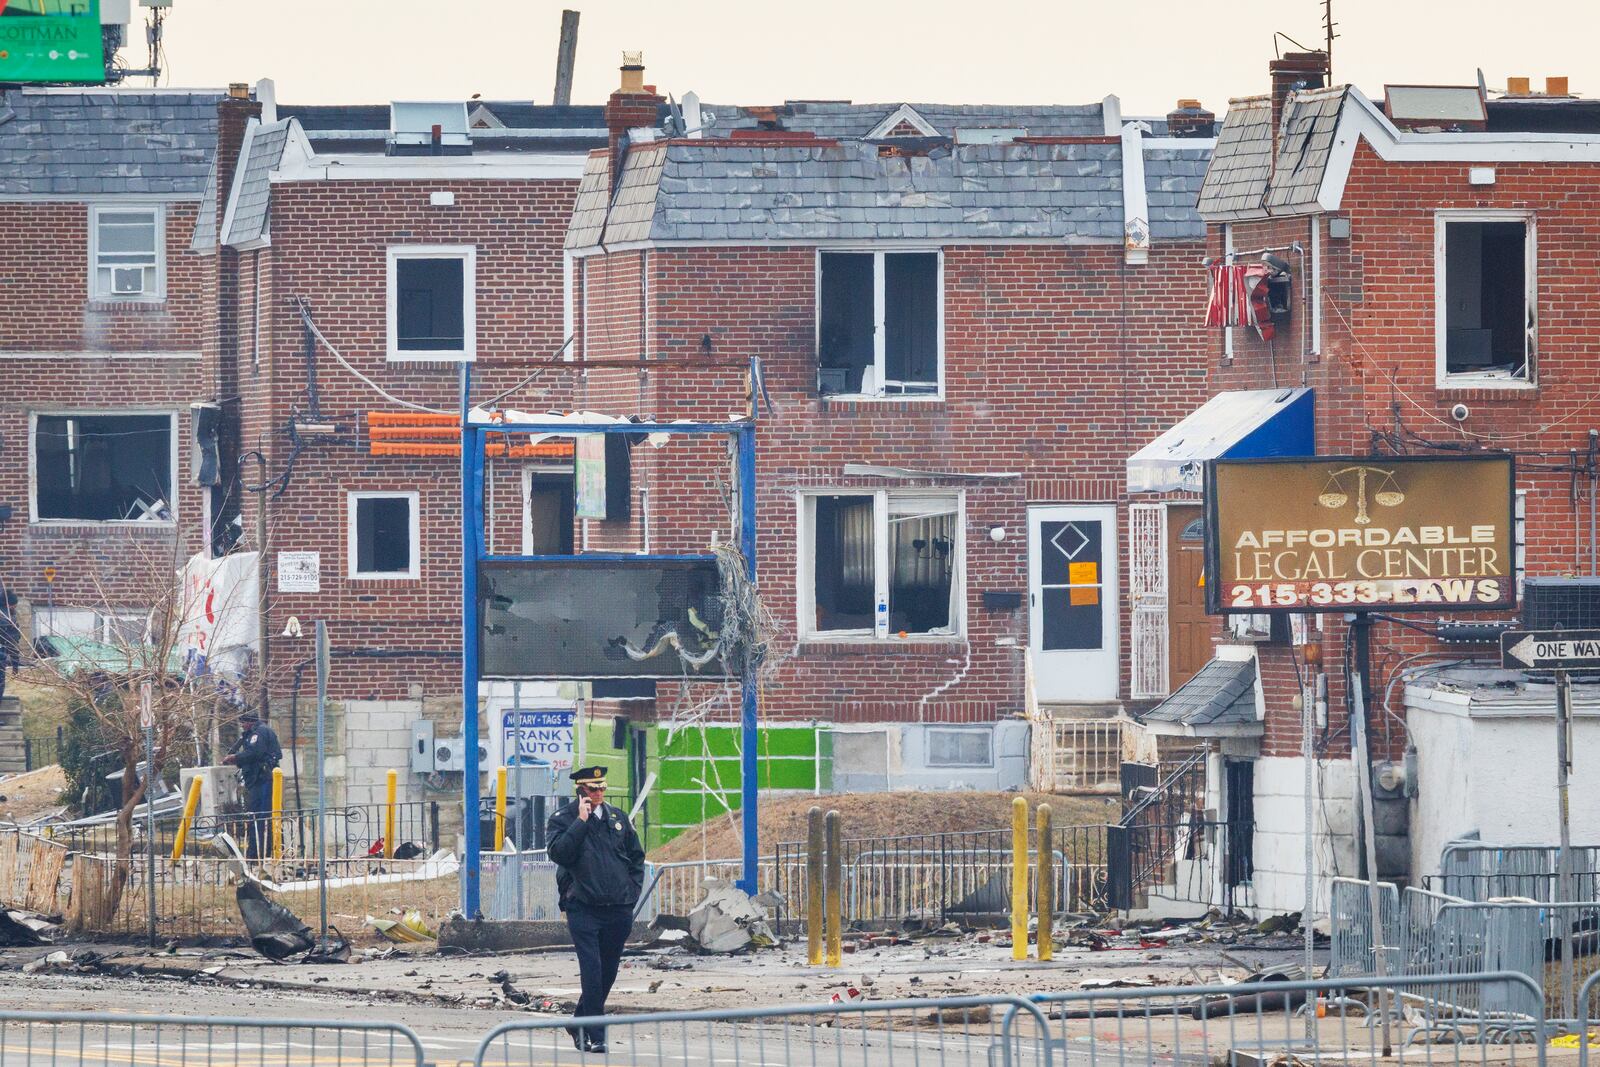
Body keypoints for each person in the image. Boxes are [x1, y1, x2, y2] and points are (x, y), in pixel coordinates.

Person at [546, 765, 645, 1054]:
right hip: (583, 907)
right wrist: (580, 821)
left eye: (602, 787)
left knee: (608, 972)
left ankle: (578, 1022)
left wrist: (632, 892)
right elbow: (560, 854)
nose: (599, 793)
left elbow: (636, 857)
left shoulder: (617, 818)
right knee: (592, 971)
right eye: (593, 788)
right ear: (580, 790)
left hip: (617, 906)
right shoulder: (562, 819)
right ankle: (597, 1034)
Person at [223, 711, 282, 860]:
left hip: (263, 779)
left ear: (249, 721)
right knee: (256, 817)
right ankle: (257, 851)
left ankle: (261, 852)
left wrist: (235, 757)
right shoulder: (252, 733)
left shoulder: (259, 733)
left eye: (243, 723)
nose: (242, 726)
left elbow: (255, 753)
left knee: (262, 817)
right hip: (257, 780)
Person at [0, 589, 19, 704]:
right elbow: (13, 644)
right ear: (9, 605)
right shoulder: (9, 620)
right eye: (14, 606)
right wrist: (15, 667)